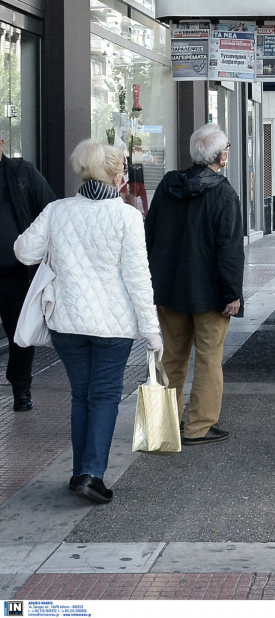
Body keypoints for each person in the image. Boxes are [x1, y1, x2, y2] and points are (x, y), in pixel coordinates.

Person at [14, 140, 162, 504]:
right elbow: (137, 277)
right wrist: (152, 331)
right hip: (113, 326)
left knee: (81, 395)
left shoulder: (57, 210)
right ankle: (92, 475)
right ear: (115, 175)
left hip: (66, 322)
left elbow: (23, 251)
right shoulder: (126, 215)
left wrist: (59, 247)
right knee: (105, 396)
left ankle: (80, 472)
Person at [144, 123, 243, 446]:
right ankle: (198, 426)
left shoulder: (167, 185)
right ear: (221, 155)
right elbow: (228, 248)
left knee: (170, 357)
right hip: (209, 293)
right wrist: (233, 293)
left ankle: (160, 427)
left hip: (169, 288)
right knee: (208, 358)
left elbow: (150, 234)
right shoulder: (223, 193)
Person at [0, 135, 56, 412]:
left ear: (1, 143)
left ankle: (21, 389)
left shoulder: (23, 173)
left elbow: (49, 211)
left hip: (16, 274)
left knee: (20, 335)